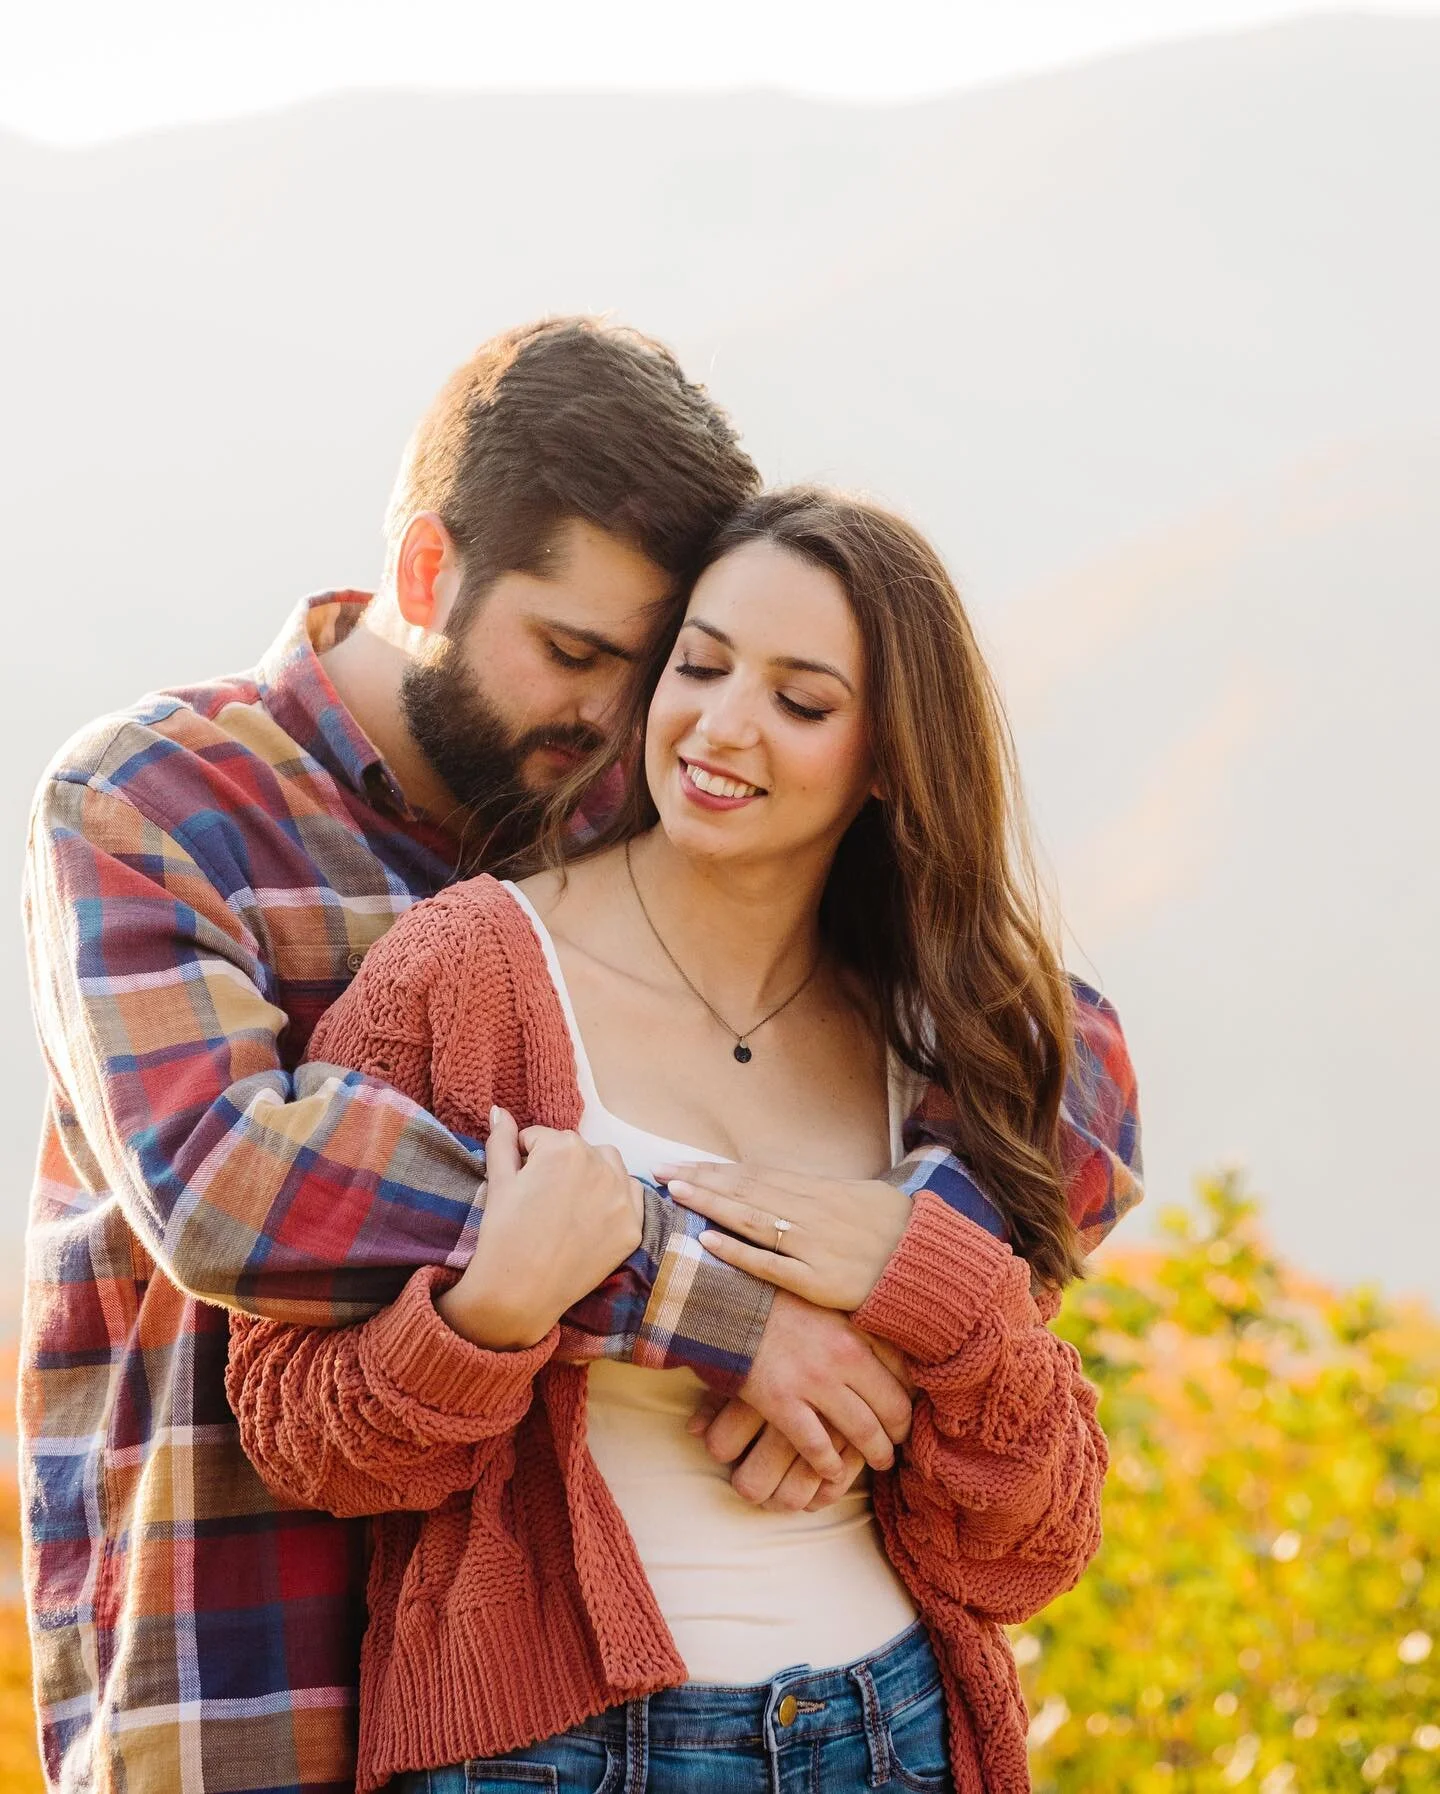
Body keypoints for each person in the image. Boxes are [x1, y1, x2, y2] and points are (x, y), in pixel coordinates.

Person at [20, 320, 1139, 1794]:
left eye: (653, 661)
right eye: (574, 653)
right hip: (251, 1657)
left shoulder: (619, 794)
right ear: (428, 577)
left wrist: (888, 1281)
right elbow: (232, 1182)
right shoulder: (157, 800)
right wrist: (725, 1306)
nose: (622, 716)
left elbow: (1070, 1061)